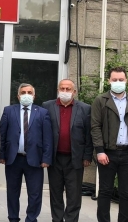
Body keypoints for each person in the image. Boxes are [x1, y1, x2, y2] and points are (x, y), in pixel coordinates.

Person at [92, 66, 128, 222]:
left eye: (121, 79)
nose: (118, 82)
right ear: (109, 81)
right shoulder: (100, 101)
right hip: (107, 153)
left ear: (126, 80)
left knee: (127, 193)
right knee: (105, 191)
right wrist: (100, 151)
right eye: (115, 79)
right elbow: (95, 127)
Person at [0, 83, 52, 222]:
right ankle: (13, 218)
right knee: (12, 192)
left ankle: (31, 218)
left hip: (35, 159)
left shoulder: (42, 112)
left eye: (29, 92)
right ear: (18, 96)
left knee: (35, 193)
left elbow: (47, 138)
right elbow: (1, 135)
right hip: (13, 159)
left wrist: (46, 158)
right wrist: (1, 155)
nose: (26, 95)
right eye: (23, 92)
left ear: (34, 96)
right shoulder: (9, 111)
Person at [42, 79, 93, 222]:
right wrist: (44, 156)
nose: (65, 91)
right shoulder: (47, 106)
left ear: (74, 92)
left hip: (75, 158)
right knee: (55, 193)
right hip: (54, 158)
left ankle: (71, 219)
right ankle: (57, 219)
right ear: (58, 90)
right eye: (62, 88)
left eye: (68, 89)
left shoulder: (85, 108)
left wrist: (87, 156)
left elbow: (88, 134)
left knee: (74, 194)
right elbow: (42, 132)